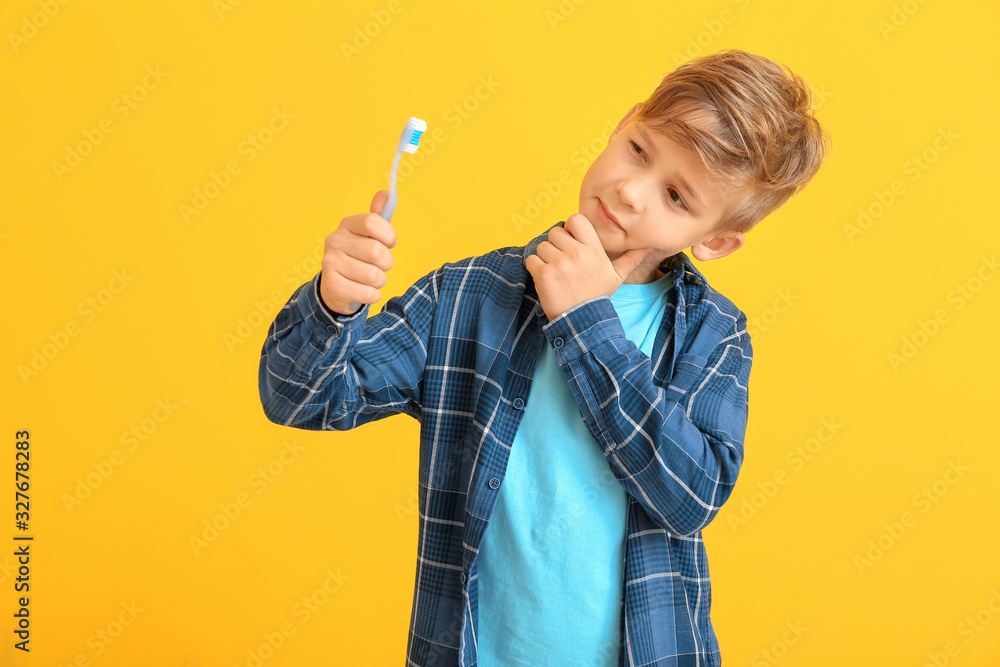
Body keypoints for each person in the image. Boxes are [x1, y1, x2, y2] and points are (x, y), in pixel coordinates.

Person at [258, 48, 830, 667]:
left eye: (676, 196)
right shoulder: (471, 296)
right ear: (624, 122)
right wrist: (333, 305)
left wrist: (587, 324)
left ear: (715, 240)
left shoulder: (712, 336)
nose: (631, 191)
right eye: (639, 149)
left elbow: (691, 498)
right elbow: (301, 398)